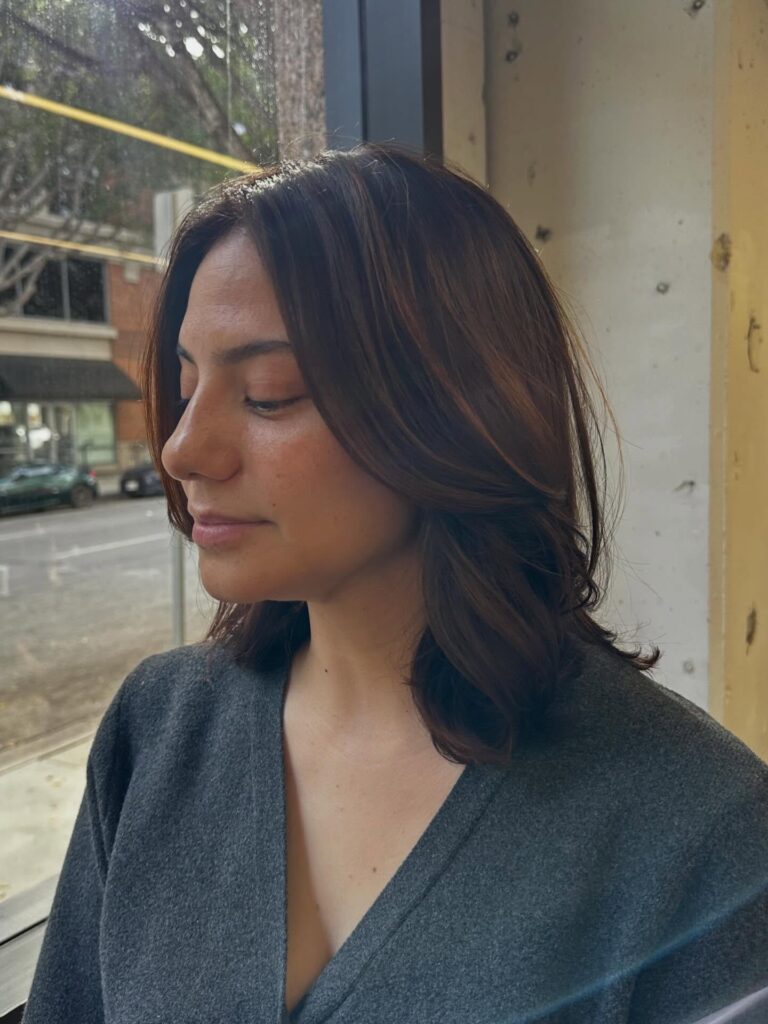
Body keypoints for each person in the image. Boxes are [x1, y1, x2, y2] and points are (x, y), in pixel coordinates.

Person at [22, 142, 767, 1024]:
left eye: (269, 393)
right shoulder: (157, 732)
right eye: (185, 387)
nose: (183, 448)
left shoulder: (697, 826)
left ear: (457, 415)